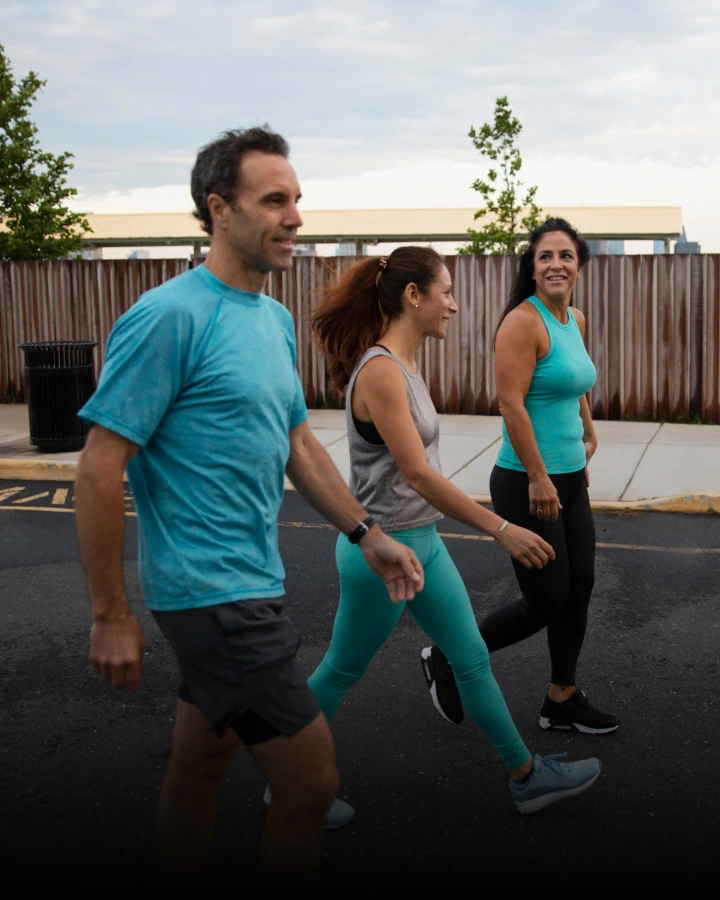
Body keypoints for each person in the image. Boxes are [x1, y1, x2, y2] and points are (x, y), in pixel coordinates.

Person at [73, 127, 426, 885]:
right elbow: (101, 468)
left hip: (250, 580)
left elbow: (298, 444)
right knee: (310, 784)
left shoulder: (270, 320)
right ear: (219, 210)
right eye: (274, 200)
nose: (295, 215)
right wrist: (109, 613)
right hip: (213, 593)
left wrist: (368, 532)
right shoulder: (170, 316)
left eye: (297, 198)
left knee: (203, 761)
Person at [308, 246, 602, 819]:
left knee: (468, 659)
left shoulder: (406, 365)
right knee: (341, 669)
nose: (455, 305)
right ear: (414, 297)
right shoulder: (381, 371)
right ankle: (291, 779)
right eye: (446, 293)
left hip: (422, 544)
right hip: (382, 550)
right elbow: (417, 473)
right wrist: (501, 528)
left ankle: (525, 777)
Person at [422, 218, 618, 736]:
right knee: (546, 599)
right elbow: (510, 402)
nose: (556, 263)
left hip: (570, 479)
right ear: (531, 267)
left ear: (579, 265)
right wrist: (538, 475)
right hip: (527, 481)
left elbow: (575, 380)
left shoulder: (573, 318)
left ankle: (561, 698)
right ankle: (447, 656)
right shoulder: (521, 322)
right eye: (546, 256)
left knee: (580, 588)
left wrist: (589, 430)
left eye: (566, 255)